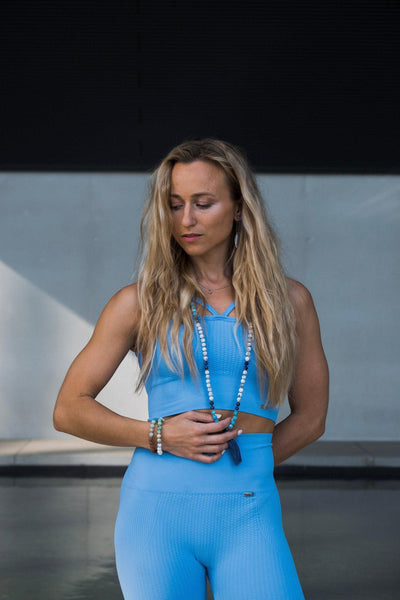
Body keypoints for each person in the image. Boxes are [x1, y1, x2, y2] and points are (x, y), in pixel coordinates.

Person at [54, 138, 329, 600]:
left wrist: (248, 463)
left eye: (203, 203)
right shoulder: (138, 302)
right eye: (174, 204)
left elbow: (311, 419)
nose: (186, 219)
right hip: (155, 513)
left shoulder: (290, 301)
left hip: (249, 511)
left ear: (239, 207)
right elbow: (67, 409)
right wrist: (159, 435)